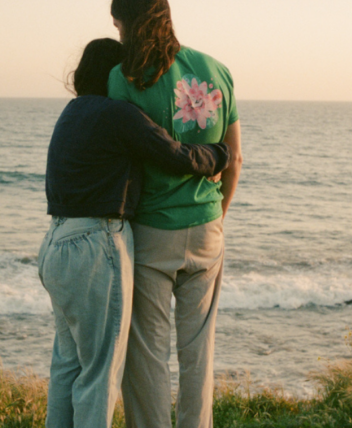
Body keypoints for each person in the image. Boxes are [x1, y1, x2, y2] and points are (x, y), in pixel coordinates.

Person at [40, 37, 232, 428]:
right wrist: (221, 154)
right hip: (96, 245)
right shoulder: (116, 113)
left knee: (67, 365)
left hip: (55, 245)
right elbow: (175, 153)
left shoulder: (72, 111)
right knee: (101, 374)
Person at [107, 0, 243, 428]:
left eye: (120, 27)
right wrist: (215, 217)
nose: (120, 37)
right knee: (198, 351)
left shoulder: (123, 78)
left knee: (147, 352)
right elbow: (235, 157)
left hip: (151, 233)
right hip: (207, 229)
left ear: (133, 24)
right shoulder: (217, 71)